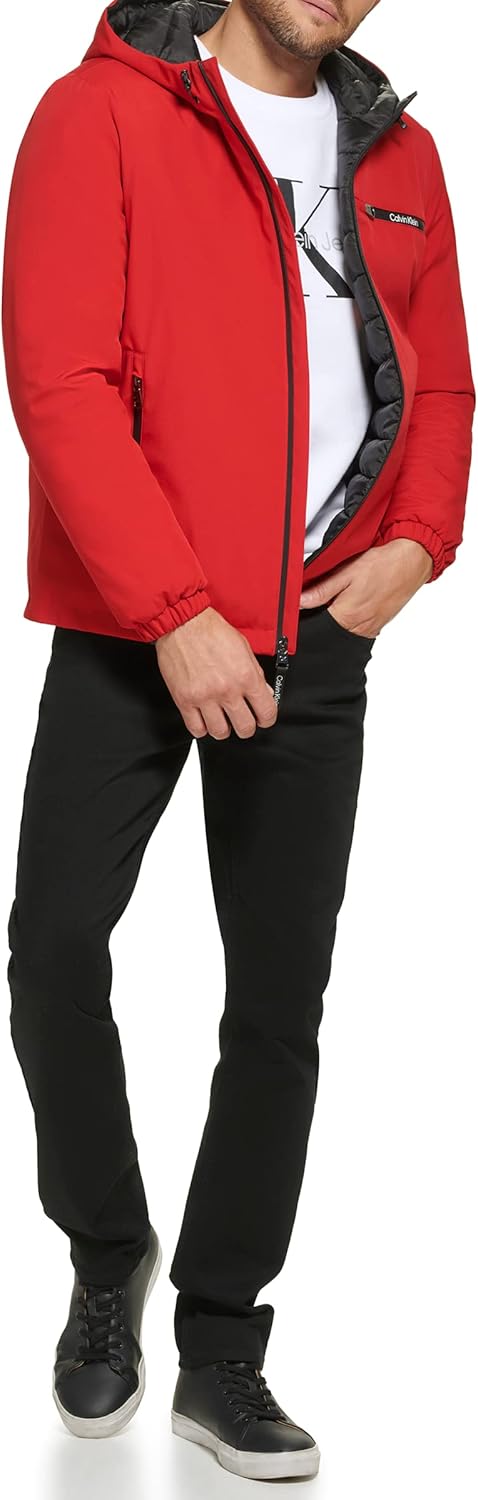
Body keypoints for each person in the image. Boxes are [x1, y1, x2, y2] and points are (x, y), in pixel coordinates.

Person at [2, 0, 474, 1482]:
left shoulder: (396, 150)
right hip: (135, 624)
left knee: (277, 1002)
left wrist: (418, 544)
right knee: (52, 949)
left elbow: (441, 379)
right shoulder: (103, 113)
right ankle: (107, 1256)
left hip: (319, 631)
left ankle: (219, 1341)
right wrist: (173, 610)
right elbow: (60, 377)